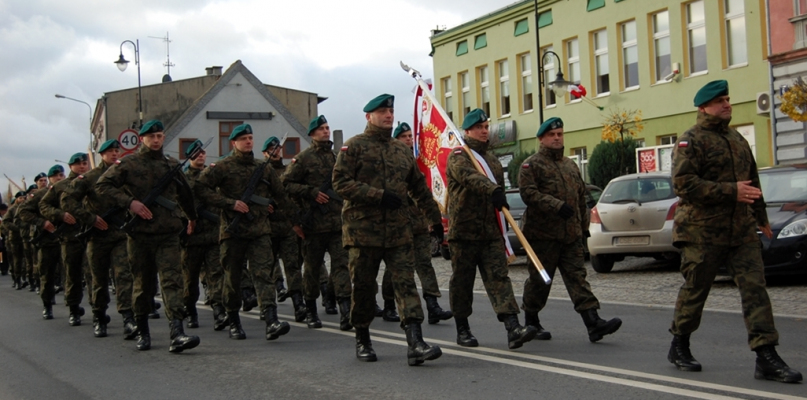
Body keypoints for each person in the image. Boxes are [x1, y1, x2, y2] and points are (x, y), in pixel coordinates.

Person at [667, 80, 802, 383]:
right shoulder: (691, 140)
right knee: (696, 289)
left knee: (755, 289)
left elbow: (751, 182)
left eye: (728, 99)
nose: (727, 105)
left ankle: (766, 355)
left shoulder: (737, 139)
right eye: (720, 101)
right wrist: (731, 191)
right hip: (702, 232)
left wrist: (762, 217)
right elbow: (683, 185)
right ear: (704, 107)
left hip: (740, 231)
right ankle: (680, 344)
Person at [333, 94, 444, 365]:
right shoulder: (354, 147)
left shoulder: (400, 150)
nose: (388, 115)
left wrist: (435, 219)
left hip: (398, 231)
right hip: (363, 233)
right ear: (369, 116)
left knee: (405, 285)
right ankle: (362, 338)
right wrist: (377, 195)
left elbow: (418, 187)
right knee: (363, 288)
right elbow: (339, 182)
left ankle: (415, 343)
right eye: (382, 111)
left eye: (391, 111)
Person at [96, 120, 200, 353]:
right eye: (151, 136)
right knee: (143, 285)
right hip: (140, 235)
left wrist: (191, 218)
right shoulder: (129, 163)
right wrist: (129, 202)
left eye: (160, 136)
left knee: (172, 281)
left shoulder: (171, 164)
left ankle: (177, 332)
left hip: (168, 233)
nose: (156, 140)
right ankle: (143, 331)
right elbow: (103, 185)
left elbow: (185, 194)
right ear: (142, 138)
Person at [195, 123, 302, 342]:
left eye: (251, 138)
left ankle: (271, 320)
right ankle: (234, 320)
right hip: (232, 233)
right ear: (233, 142)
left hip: (260, 231)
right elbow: (200, 188)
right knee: (233, 278)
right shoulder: (222, 167)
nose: (248, 142)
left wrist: (298, 220)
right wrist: (229, 203)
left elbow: (281, 196)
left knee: (264, 274)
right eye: (243, 139)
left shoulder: (263, 168)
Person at [518, 117, 622, 343]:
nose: (557, 138)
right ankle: (531, 320)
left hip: (570, 236)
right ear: (542, 139)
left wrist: (584, 228)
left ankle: (593, 322)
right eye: (552, 135)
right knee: (540, 281)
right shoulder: (531, 165)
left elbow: (580, 197)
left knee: (578, 279)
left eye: (560, 134)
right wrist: (555, 206)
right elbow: (529, 194)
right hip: (542, 236)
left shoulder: (570, 165)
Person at [446, 108, 537, 350]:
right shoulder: (459, 156)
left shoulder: (493, 161)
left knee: (499, 279)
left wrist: (500, 198)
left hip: (490, 232)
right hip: (464, 233)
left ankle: (513, 327)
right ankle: (462, 328)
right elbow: (469, 178)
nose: (484, 131)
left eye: (486, 127)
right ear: (467, 131)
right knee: (462, 282)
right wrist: (492, 190)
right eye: (479, 128)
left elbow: (498, 191)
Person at [282, 115, 352, 330]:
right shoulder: (303, 159)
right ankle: (311, 310)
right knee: (312, 269)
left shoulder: (335, 158)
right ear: (312, 133)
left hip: (336, 224)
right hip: (313, 225)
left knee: (342, 266)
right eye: (321, 128)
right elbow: (285, 184)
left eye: (328, 127)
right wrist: (310, 192)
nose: (326, 131)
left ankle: (345, 310)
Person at [61, 140, 136, 338]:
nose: (114, 154)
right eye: (110, 151)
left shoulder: (124, 176)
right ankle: (99, 316)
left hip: (120, 233)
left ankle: (128, 317)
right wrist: (90, 218)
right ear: (101, 154)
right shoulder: (90, 177)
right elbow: (67, 199)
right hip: (98, 236)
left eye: (117, 151)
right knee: (99, 279)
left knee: (124, 275)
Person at [391, 122, 452, 325]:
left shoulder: (419, 161)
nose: (409, 139)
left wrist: (431, 219)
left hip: (417, 223)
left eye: (410, 136)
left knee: (425, 264)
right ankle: (390, 304)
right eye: (404, 136)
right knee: (398, 267)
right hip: (398, 223)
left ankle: (433, 305)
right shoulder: (393, 160)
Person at [180, 141, 227, 330]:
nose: (201, 155)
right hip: (192, 237)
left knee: (216, 274)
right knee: (190, 278)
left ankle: (219, 311)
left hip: (213, 234)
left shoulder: (211, 176)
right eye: (196, 153)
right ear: (190, 156)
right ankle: (190, 311)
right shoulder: (183, 180)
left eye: (203, 152)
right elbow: (177, 203)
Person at [40, 152, 91, 326]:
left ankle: (98, 310)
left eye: (85, 163)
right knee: (72, 274)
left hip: (92, 234)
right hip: (71, 237)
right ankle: (74, 309)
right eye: (78, 164)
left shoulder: (94, 181)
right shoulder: (61, 186)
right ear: (71, 166)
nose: (82, 166)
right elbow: (43, 205)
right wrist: (60, 215)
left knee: (94, 275)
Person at [261, 136, 306, 323]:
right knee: (265, 268)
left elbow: (291, 195)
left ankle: (298, 302)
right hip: (267, 227)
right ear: (265, 152)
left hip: (286, 224)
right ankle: (267, 306)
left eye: (278, 148)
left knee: (292, 265)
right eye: (272, 149)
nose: (276, 151)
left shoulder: (288, 170)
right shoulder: (260, 171)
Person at [18, 165, 67, 320]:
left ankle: (73, 305)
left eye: (61, 175)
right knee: (47, 274)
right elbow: (23, 212)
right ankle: (47, 304)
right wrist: (42, 222)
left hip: (67, 239)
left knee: (71, 273)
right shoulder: (40, 195)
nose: (59, 178)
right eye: (56, 176)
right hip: (47, 241)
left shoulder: (69, 191)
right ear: (50, 179)